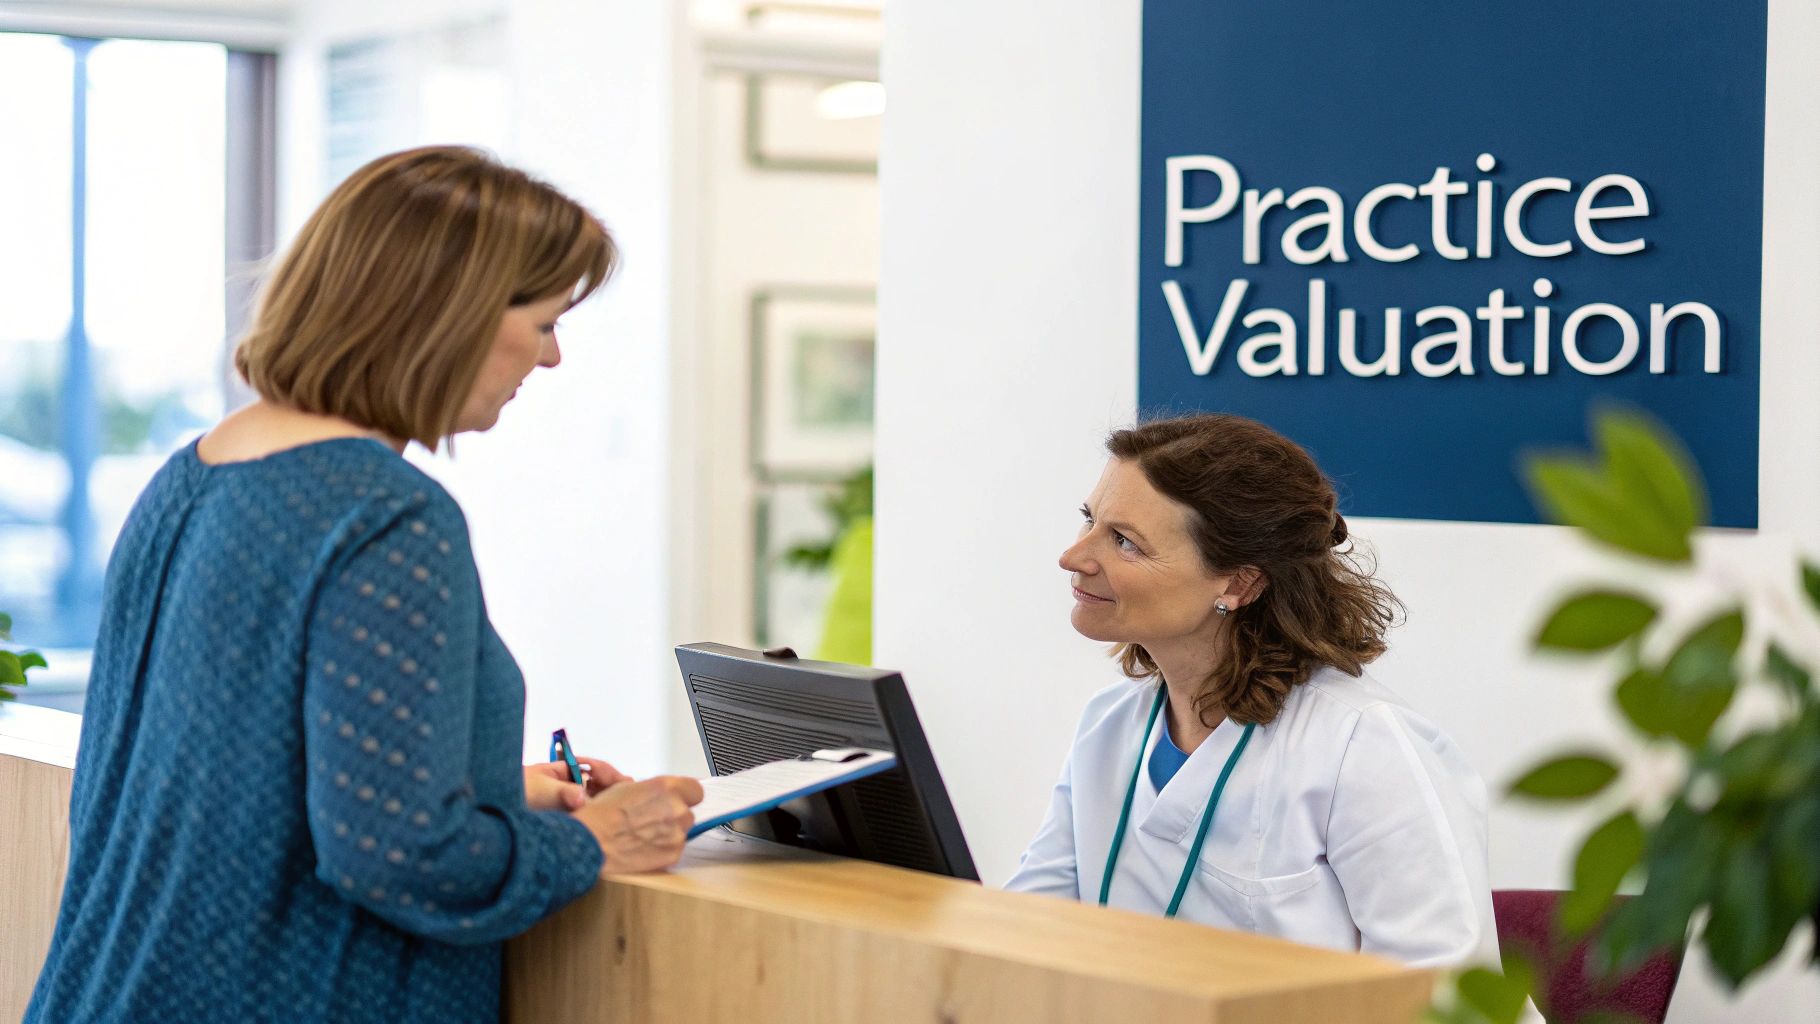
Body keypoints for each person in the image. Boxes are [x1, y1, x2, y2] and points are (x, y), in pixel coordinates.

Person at [26, 146, 704, 1023]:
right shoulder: (386, 513)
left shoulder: (195, 473)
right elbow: (403, 858)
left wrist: (494, 786)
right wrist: (589, 841)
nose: (551, 360)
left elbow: (228, 770)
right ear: (449, 314)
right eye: (544, 323)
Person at [1004, 413, 1498, 968]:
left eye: (1124, 542)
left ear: (1239, 583)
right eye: (1089, 520)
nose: (1073, 557)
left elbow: (1444, 993)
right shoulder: (1108, 725)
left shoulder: (1365, 748)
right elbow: (1027, 931)